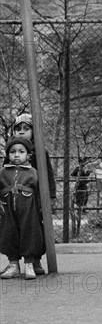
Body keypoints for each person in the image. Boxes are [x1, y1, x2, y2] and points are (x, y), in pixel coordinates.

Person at [1, 113, 55, 276]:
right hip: (11, 201)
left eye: (26, 128)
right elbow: (5, 174)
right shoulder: (12, 151)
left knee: (34, 229)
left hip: (33, 200)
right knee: (10, 230)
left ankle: (34, 260)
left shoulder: (40, 151)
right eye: (18, 129)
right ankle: (13, 264)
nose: (22, 132)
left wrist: (50, 197)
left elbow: (48, 175)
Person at [0, 137, 45, 280]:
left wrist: (41, 208)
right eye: (12, 152)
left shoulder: (33, 172)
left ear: (28, 155)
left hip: (28, 210)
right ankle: (13, 264)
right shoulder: (3, 172)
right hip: (8, 209)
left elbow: (39, 191)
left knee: (30, 232)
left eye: (21, 151)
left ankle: (29, 264)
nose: (17, 155)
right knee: (8, 233)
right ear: (8, 155)